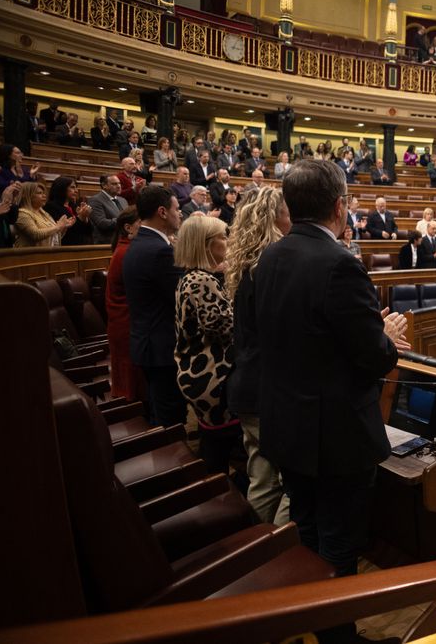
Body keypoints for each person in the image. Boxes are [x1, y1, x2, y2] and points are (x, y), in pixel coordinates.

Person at [252, 159, 409, 589]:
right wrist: (386, 335)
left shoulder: (270, 256)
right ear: (340, 207)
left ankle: (310, 624)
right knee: (340, 541)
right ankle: (337, 632)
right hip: (334, 437)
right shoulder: (339, 264)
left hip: (288, 425)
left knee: (306, 531)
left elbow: (302, 335)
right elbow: (375, 359)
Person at [224, 186, 293, 525]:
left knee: (262, 481)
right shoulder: (274, 263)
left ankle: (257, 556)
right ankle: (279, 557)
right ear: (275, 216)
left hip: (247, 387)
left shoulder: (246, 262)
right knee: (293, 484)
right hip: (270, 391)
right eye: (287, 210)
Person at [173, 215, 240, 475]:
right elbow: (226, 328)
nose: (228, 241)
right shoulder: (202, 281)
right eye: (223, 237)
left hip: (201, 375)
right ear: (206, 245)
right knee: (217, 450)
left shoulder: (196, 277)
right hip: (211, 377)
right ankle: (219, 500)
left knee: (215, 446)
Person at [122, 185, 186, 427]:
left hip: (149, 343)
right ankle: (174, 463)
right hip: (161, 347)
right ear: (162, 211)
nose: (179, 214)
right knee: (170, 420)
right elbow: (180, 296)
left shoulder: (141, 243)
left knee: (161, 413)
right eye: (176, 209)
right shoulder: (158, 250)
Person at [105, 207, 143, 403]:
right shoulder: (126, 252)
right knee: (132, 390)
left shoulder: (125, 248)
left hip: (124, 323)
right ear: (128, 228)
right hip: (126, 324)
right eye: (141, 224)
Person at [14, 181, 73, 248]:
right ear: (27, 195)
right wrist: (57, 227)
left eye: (43, 193)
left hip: (46, 255)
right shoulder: (22, 214)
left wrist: (63, 227)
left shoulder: (44, 213)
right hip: (29, 256)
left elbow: (53, 237)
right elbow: (35, 235)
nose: (44, 195)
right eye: (39, 193)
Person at [45, 176, 93, 246]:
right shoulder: (51, 207)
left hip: (81, 246)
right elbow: (67, 232)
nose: (76, 190)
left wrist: (85, 218)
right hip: (65, 247)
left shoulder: (74, 206)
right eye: (72, 187)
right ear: (62, 188)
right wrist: (80, 217)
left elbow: (89, 231)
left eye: (76, 187)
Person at [89, 174, 129, 245]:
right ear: (104, 185)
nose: (119, 186)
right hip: (107, 243)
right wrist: (124, 220)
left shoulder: (123, 200)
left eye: (119, 183)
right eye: (114, 184)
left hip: (125, 241)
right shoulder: (95, 200)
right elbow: (102, 223)